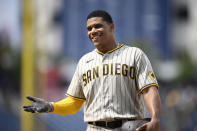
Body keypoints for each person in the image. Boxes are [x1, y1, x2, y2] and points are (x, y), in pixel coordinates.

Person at [23, 10, 161, 131]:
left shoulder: (134, 54)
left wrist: (155, 118)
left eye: (98, 26)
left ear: (111, 27)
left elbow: (149, 90)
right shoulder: (84, 62)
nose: (92, 31)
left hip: (128, 126)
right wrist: (50, 106)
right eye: (89, 28)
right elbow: (74, 103)